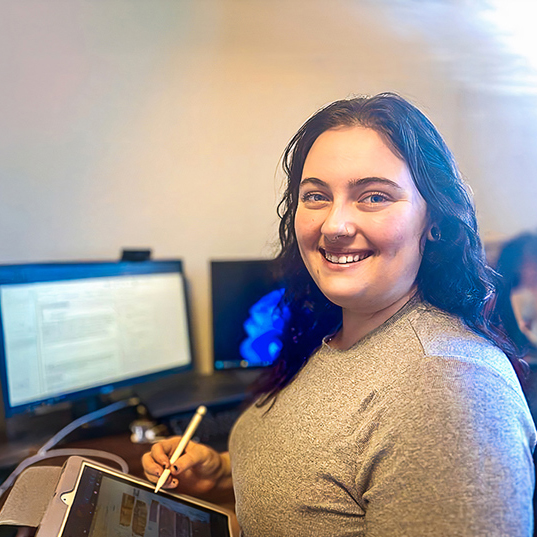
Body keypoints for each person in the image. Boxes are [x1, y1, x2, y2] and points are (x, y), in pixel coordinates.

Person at [143, 93, 536, 536]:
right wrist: (223, 472)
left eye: (373, 197)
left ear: (434, 221)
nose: (334, 225)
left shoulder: (449, 390)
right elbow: (332, 474)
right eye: (316, 196)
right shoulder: (332, 329)